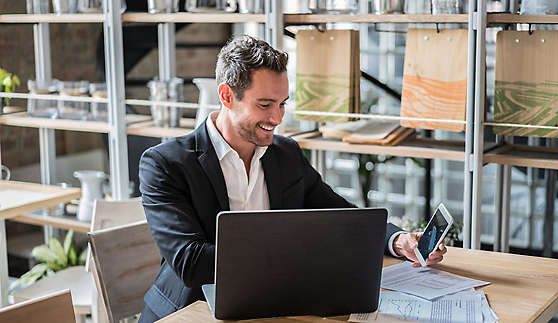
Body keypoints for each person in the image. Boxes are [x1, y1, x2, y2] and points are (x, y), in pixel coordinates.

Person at [138, 35, 447, 322]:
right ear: (226, 96)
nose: (277, 118)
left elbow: (343, 215)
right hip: (192, 311)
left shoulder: (285, 153)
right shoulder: (165, 164)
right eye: (265, 104)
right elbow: (191, 263)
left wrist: (398, 240)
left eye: (282, 102)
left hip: (271, 307)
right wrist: (295, 252)